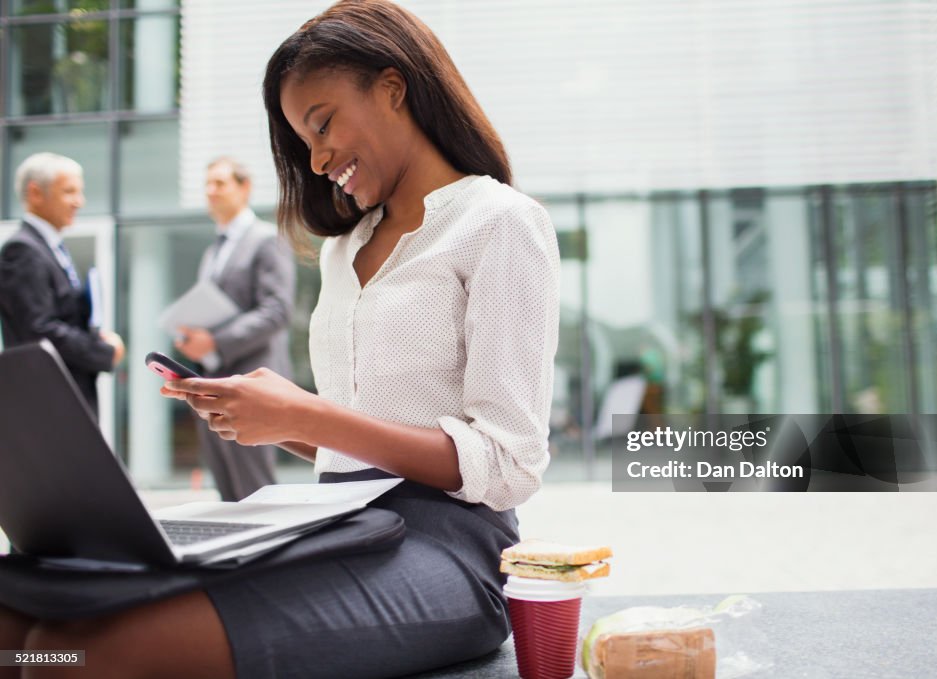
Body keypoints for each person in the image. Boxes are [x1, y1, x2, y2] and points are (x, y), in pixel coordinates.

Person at [0, 1, 559, 677]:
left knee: (78, 656)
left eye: (321, 125)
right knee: (19, 625)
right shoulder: (343, 248)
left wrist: (302, 413)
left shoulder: (499, 223)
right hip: (332, 520)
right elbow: (359, 433)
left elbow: (508, 462)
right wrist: (266, 420)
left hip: (448, 548)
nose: (317, 158)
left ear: (393, 86)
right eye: (303, 141)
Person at [175, 157, 296, 501]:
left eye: (220, 183)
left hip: (251, 380)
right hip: (215, 382)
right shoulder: (213, 251)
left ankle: (271, 555)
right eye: (207, 184)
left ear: (245, 188)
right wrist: (193, 338)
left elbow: (277, 310)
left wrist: (214, 341)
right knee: (228, 490)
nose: (210, 191)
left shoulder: (266, 239)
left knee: (255, 488)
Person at [0, 152, 124, 417]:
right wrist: (102, 351)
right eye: (69, 192)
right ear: (35, 193)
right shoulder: (22, 251)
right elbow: (39, 330)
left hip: (62, 396)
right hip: (47, 402)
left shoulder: (51, 248)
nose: (79, 202)